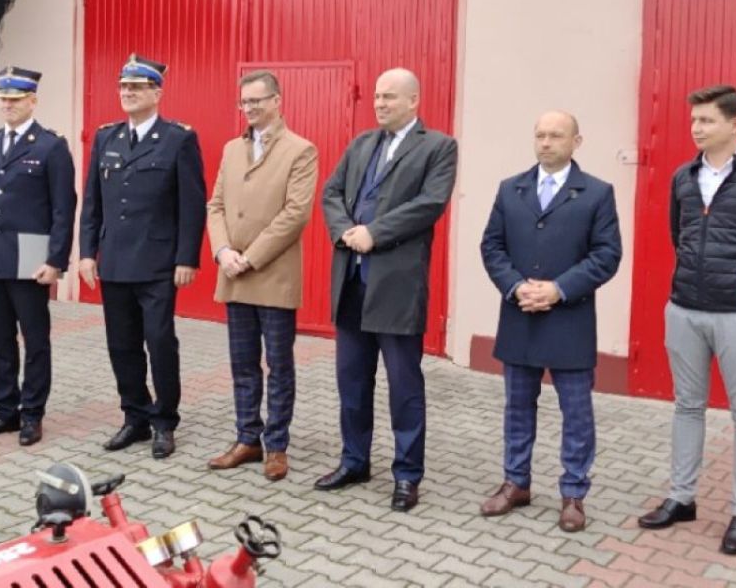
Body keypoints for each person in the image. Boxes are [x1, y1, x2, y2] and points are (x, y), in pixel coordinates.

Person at [637, 85, 736, 555]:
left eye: (706, 120)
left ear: (735, 124)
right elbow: (679, 236)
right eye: (694, 120)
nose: (696, 128)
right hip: (684, 309)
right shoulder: (682, 178)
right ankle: (681, 498)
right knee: (687, 406)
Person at [316, 67, 457, 512]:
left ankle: (407, 474)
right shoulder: (362, 144)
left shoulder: (438, 147)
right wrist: (345, 231)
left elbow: (429, 204)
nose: (379, 104)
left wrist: (374, 233)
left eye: (389, 97)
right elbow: (331, 192)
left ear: (414, 100)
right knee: (352, 381)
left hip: (396, 287)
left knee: (404, 386)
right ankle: (354, 461)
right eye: (377, 96)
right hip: (351, 283)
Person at [479, 111, 621, 532]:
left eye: (556, 135)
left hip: (569, 319)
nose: (545, 142)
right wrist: (515, 286)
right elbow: (492, 246)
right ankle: (516, 482)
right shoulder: (511, 189)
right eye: (540, 135)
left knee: (576, 412)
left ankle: (573, 493)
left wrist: (559, 289)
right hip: (520, 314)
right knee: (517, 407)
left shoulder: (597, 193)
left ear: (576, 142)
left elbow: (607, 254)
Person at [79, 54, 207, 460]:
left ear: (157, 92)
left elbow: (192, 205)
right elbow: (93, 202)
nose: (128, 93)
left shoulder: (178, 139)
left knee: (160, 341)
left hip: (157, 263)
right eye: (123, 87)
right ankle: (134, 415)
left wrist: (187, 258)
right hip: (115, 260)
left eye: (136, 87)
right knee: (122, 344)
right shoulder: (107, 138)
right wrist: (86, 253)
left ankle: (164, 420)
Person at [206, 70, 318, 481]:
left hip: (272, 276)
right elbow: (216, 205)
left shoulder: (300, 150)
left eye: (257, 100)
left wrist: (249, 257)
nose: (249, 108)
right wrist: (222, 251)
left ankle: (277, 445)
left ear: (276, 100)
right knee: (243, 364)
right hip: (233, 274)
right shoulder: (231, 149)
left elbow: (296, 214)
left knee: (279, 365)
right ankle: (247, 438)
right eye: (244, 102)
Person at [0, 67, 77, 447]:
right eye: (3, 99)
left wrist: (56, 260)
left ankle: (32, 413)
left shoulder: (50, 146)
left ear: (32, 101)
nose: (8, 105)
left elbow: (63, 208)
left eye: (15, 99)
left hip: (30, 255)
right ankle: (5, 409)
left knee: (35, 339)